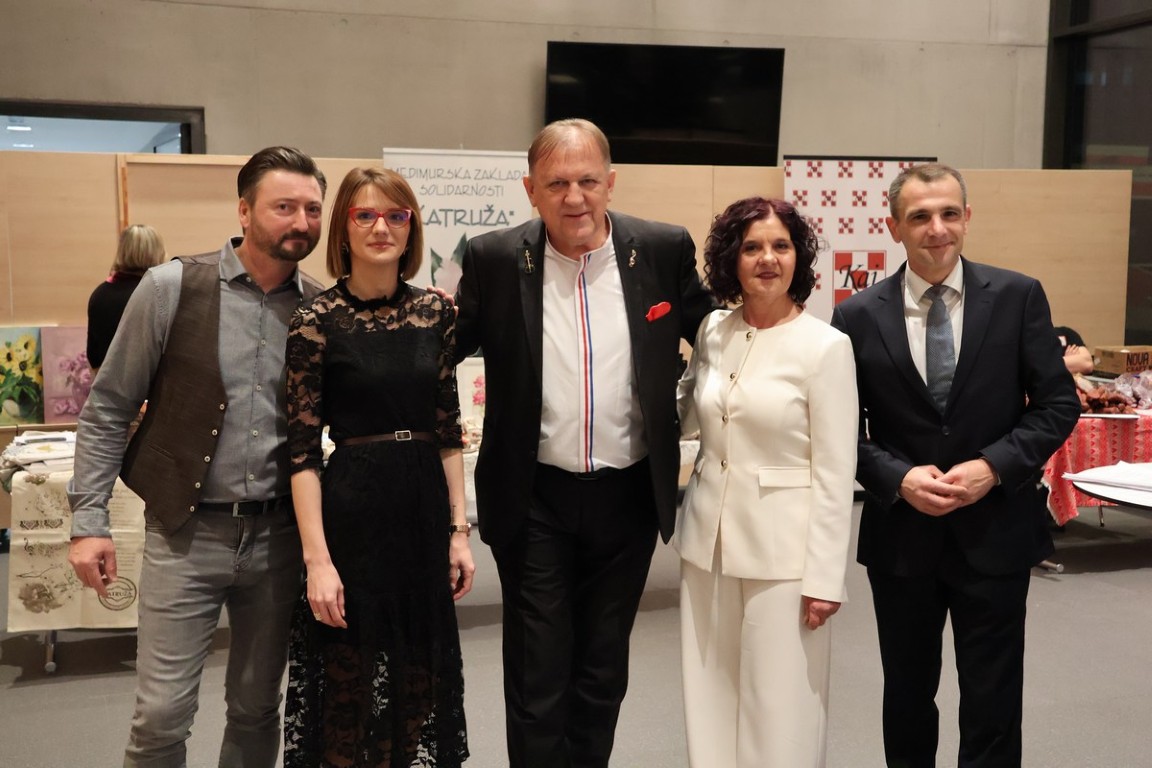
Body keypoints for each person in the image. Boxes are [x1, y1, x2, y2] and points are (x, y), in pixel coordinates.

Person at [453, 118, 715, 767]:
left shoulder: (661, 249)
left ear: (611, 183)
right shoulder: (493, 258)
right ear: (530, 190)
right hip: (533, 498)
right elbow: (441, 352)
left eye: (588, 181)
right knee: (537, 674)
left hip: (628, 498)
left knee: (602, 672)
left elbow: (717, 333)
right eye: (557, 184)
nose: (575, 197)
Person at [67, 146, 328, 768]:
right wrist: (88, 520)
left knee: (257, 707)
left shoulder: (320, 308)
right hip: (185, 534)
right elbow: (109, 408)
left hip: (278, 539)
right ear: (244, 210)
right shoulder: (170, 288)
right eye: (284, 207)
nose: (301, 222)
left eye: (313, 209)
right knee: (160, 716)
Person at [830, 163, 1080, 768]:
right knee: (907, 697)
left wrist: (993, 466)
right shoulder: (857, 315)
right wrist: (897, 477)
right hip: (902, 540)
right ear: (894, 226)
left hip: (996, 533)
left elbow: (1057, 405)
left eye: (948, 213)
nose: (936, 228)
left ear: (966, 218)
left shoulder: (1018, 296)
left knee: (994, 701)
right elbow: (839, 429)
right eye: (919, 216)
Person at [282, 166, 473, 767]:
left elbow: (448, 432)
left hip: (421, 514)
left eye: (395, 215)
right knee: (349, 687)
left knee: (418, 686)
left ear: (411, 226)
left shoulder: (436, 314)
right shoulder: (315, 320)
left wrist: (459, 531)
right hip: (352, 517)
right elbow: (301, 452)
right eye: (365, 215)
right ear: (344, 227)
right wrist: (317, 561)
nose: (381, 227)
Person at [675, 197, 858, 767]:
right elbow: (688, 413)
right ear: (732, 258)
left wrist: (825, 577)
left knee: (781, 709)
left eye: (781, 246)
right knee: (709, 697)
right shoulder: (713, 330)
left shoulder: (826, 346)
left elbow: (836, 472)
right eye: (752, 247)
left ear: (798, 257)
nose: (767, 259)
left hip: (786, 556)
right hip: (706, 545)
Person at [87, 224, 168, 370]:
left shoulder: (100, 295)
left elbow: (94, 357)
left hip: (111, 381)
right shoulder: (160, 295)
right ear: (158, 253)